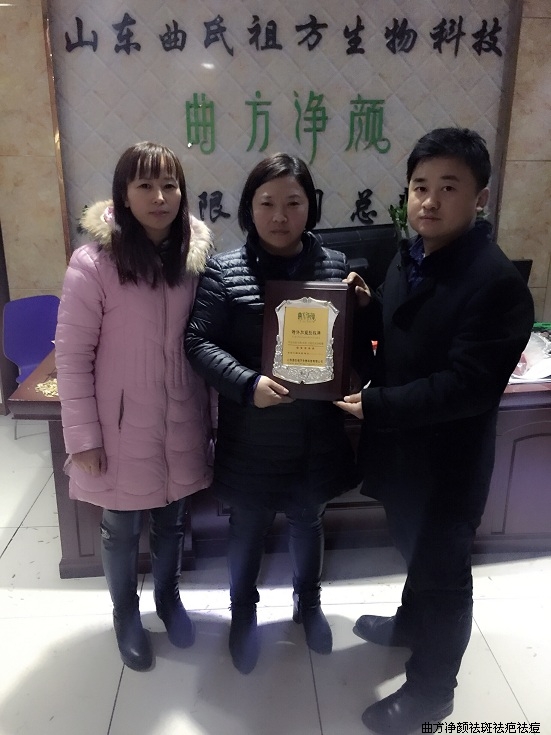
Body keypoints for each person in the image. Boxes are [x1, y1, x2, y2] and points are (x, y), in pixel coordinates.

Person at [336, 127, 534, 734]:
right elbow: (405, 331)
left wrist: (378, 406)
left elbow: (466, 387)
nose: (429, 200)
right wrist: (367, 308)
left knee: (444, 577)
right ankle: (409, 622)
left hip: (447, 465)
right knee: (412, 549)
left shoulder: (495, 283)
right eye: (420, 186)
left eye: (449, 187)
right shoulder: (410, 255)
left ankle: (432, 690)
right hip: (402, 456)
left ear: (480, 197)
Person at [185, 152, 357, 674]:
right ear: (249, 208)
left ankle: (309, 603)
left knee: (309, 520)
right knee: (247, 527)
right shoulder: (223, 270)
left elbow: (350, 346)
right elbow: (198, 342)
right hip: (251, 433)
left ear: (311, 206)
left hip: (314, 434)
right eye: (267, 203)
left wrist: (363, 309)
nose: (280, 215)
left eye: (293, 202)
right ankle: (243, 614)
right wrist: (246, 383)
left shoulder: (336, 266)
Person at [55, 142, 214, 672]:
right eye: (145, 185)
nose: (159, 197)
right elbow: (72, 357)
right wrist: (84, 439)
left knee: (172, 522)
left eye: (170, 185)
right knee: (120, 531)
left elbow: (208, 343)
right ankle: (126, 615)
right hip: (119, 428)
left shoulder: (193, 261)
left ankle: (168, 600)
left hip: (182, 416)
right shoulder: (94, 264)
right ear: (123, 195)